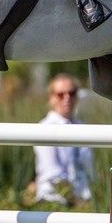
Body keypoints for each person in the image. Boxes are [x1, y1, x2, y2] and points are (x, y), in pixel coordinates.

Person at [33, 73, 94, 205]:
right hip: (54, 203)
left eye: (71, 93)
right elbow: (54, 176)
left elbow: (89, 171)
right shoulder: (45, 128)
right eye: (61, 94)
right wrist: (78, 203)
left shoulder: (82, 127)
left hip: (82, 201)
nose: (67, 98)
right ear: (52, 97)